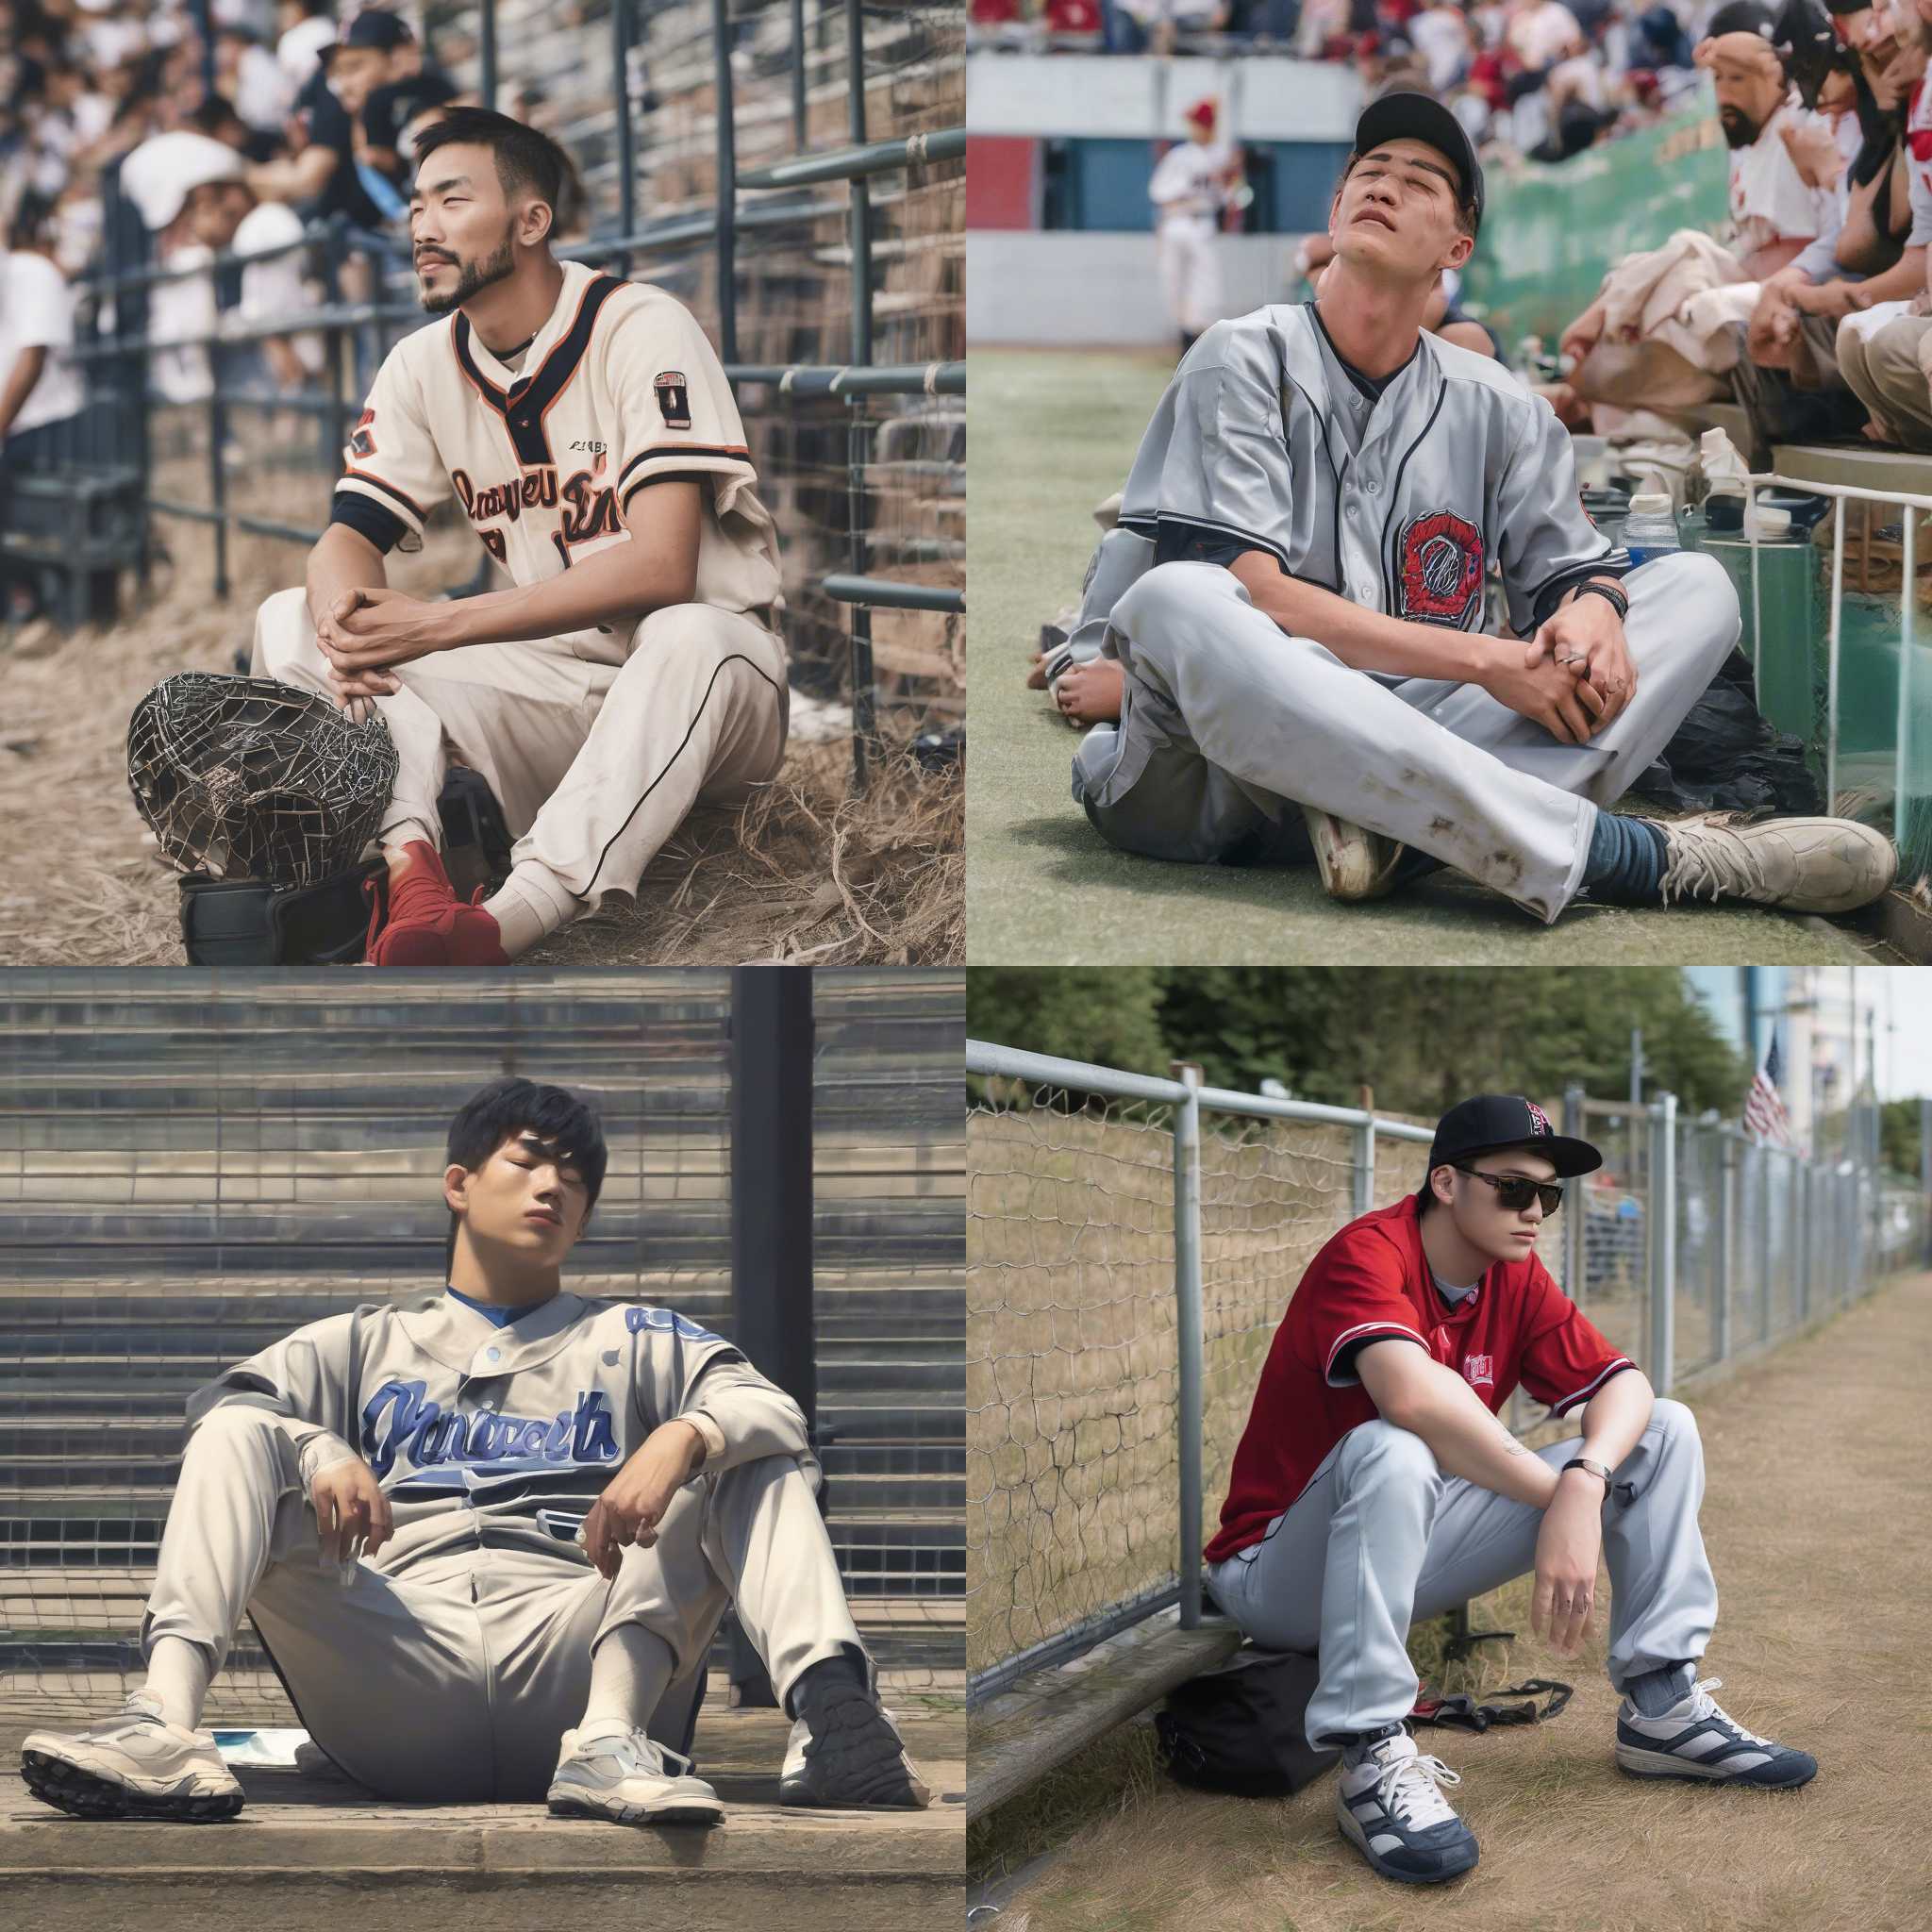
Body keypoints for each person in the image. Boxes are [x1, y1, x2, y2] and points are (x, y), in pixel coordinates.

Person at [1062, 91, 1896, 925]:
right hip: (1213, 783)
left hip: (1418, 732)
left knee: (1700, 588)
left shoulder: (1499, 403)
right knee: (1182, 598)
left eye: (1419, 180)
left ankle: (1404, 833)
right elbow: (1263, 598)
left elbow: (1574, 572)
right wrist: (1488, 662)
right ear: (1338, 206)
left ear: (1457, 245)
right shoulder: (1240, 355)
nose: (1383, 186)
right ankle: (1635, 856)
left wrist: (1598, 607)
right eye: (1369, 172)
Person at [18, 1078, 929, 1823]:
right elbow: (222, 1402)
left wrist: (682, 1436)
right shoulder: (362, 1341)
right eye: (527, 1161)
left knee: (745, 1448)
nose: (552, 1186)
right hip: (395, 1658)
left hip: (587, 1649)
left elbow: (771, 1409)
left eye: (574, 1179)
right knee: (239, 1432)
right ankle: (165, 1725)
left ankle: (818, 1717)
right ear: (460, 1184)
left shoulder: (637, 1335)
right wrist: (317, 1443)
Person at [1204, 1094, 1817, 1887]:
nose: (1536, 1212)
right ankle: (1370, 1758)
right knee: (1393, 1447)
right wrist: (1557, 1494)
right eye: (1514, 1188)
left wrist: (1585, 1482)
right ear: (1448, 1184)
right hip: (1277, 1576)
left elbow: (1625, 1385)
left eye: (1549, 1195)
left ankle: (1662, 1708)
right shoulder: (1370, 1252)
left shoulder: (1515, 1277)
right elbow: (1411, 1398)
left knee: (1664, 1428)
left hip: (1400, 1552)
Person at [242, 106, 789, 966]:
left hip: (712, 694)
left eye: (453, 201)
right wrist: (342, 623)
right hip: (553, 689)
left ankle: (506, 922)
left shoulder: (638, 325)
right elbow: (347, 535)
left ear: (532, 221)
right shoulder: (422, 362)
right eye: (417, 206)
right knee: (286, 616)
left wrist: (437, 623)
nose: (423, 227)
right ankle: (412, 865)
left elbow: (662, 566)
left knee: (693, 634)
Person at [0, 192, 87, 626]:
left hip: (45, 424)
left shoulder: (28, 271)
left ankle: (49, 615)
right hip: (15, 428)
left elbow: (32, 357)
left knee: (46, 538)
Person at [1150, 98, 1241, 358]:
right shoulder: (1180, 155)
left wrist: (1232, 176)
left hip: (1203, 222)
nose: (1194, 128)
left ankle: (1197, 343)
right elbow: (1159, 194)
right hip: (1176, 221)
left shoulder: (1222, 155)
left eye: (1198, 123)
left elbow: (1231, 196)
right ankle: (1183, 341)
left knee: (1205, 287)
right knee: (1174, 282)